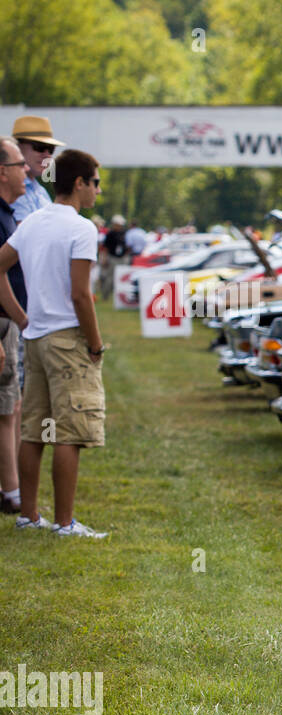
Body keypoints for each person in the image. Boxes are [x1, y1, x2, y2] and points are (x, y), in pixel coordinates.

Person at [0, 149, 108, 536]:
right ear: (79, 183)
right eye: (95, 182)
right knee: (71, 430)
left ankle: (29, 515)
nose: (98, 190)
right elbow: (81, 295)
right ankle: (65, 523)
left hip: (35, 338)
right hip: (67, 341)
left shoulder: (31, 222)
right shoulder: (81, 228)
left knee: (36, 429)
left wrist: (21, 317)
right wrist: (95, 344)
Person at [0, 138, 31, 516]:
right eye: (21, 163)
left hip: (7, 325)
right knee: (7, 410)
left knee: (11, 407)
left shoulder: (8, 213)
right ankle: (11, 493)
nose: (28, 170)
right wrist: (22, 320)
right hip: (3, 324)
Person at [11, 115, 60, 223]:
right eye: (40, 147)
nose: (47, 155)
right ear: (17, 147)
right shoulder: (10, 187)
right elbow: (23, 235)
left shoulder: (41, 191)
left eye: (51, 149)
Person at [100, 215, 128, 298]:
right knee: (110, 277)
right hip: (112, 257)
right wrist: (105, 259)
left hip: (122, 258)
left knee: (121, 277)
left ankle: (120, 296)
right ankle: (105, 295)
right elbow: (105, 247)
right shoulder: (110, 234)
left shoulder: (123, 233)